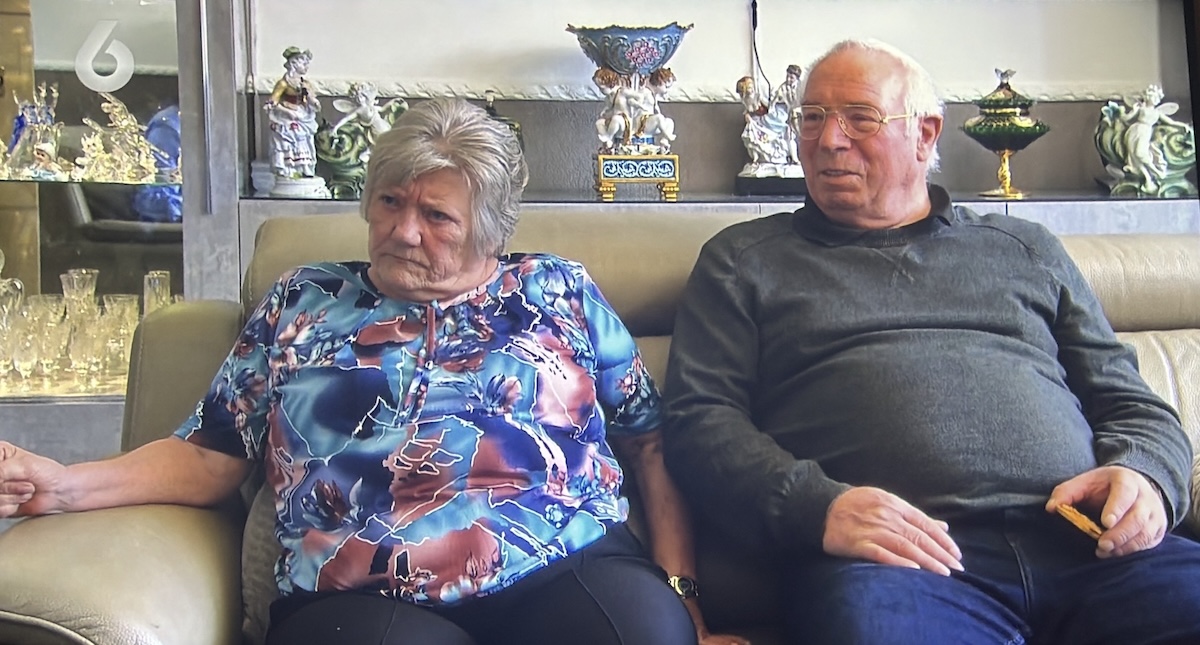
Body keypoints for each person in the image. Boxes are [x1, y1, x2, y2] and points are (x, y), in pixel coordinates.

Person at [0, 97, 746, 645]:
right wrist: (67, 483)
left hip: (565, 563)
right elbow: (209, 454)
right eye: (389, 202)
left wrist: (683, 593)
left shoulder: (556, 291)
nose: (402, 229)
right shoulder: (306, 300)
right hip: (365, 587)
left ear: (489, 232)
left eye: (436, 216)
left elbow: (649, 439)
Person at [662, 38, 1200, 645]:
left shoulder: (1024, 248)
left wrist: (1147, 475)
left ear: (925, 133)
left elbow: (1131, 401)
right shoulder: (743, 261)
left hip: (1092, 547)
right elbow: (699, 420)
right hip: (898, 568)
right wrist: (816, 507)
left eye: (859, 118)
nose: (828, 139)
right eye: (812, 117)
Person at [265, 46, 321, 178]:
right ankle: (287, 167)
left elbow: (310, 99)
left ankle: (305, 167)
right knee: (287, 142)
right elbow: (272, 102)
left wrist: (314, 103)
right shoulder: (284, 83)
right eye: (303, 62)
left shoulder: (305, 83)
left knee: (303, 142)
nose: (306, 66)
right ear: (293, 63)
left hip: (302, 115)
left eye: (307, 63)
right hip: (287, 117)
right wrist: (286, 111)